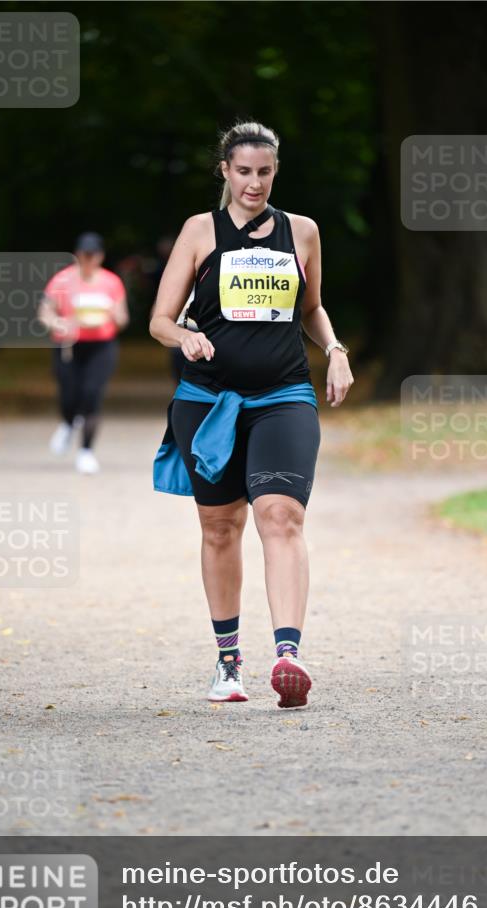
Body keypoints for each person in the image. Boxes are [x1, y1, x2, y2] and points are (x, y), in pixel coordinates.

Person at [150, 122, 353, 707]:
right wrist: (183, 338)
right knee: (220, 529)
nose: (254, 183)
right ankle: (228, 660)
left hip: (285, 395)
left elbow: (311, 307)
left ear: (275, 171)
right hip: (208, 400)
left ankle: (289, 654)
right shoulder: (199, 231)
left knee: (281, 516)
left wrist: (335, 351)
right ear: (225, 171)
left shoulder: (303, 232)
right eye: (244, 172)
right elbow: (160, 319)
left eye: (264, 172)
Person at [38, 233, 129, 474]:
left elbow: (122, 318)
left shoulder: (111, 282)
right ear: (78, 254)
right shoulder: (62, 280)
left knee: (91, 395)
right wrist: (56, 323)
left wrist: (111, 313)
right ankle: (68, 423)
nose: (88, 259)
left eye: (93, 255)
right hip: (68, 344)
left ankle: (86, 451)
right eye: (84, 255)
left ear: (100, 256)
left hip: (101, 345)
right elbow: (45, 311)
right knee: (68, 394)